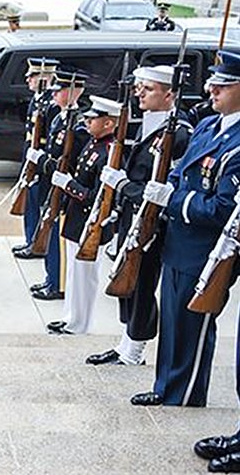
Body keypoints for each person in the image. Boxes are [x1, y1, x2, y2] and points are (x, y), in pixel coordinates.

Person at [131, 50, 240, 408]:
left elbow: (223, 207)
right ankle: (166, 387)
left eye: (222, 85)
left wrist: (173, 200)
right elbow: (179, 173)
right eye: (213, 84)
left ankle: (186, 392)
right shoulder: (210, 125)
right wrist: (170, 190)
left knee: (193, 324)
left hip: (207, 250)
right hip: (179, 240)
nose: (212, 91)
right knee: (174, 321)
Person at [85, 65, 191, 365]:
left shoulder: (179, 133)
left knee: (142, 284)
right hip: (131, 217)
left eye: (148, 89)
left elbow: (162, 188)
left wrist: (124, 185)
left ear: (169, 94)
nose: (139, 93)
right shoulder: (147, 124)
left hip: (152, 224)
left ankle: (135, 350)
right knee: (126, 283)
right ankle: (124, 343)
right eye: (139, 87)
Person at [46, 95, 119, 335]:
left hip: (91, 222)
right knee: (74, 273)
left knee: (85, 277)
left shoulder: (109, 152)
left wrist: (69, 185)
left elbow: (97, 196)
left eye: (92, 119)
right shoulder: (93, 143)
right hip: (77, 219)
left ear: (108, 123)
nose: (87, 122)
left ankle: (80, 323)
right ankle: (70, 317)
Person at [25, 70, 89, 301]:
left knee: (58, 239)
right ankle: (51, 277)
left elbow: (68, 162)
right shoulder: (59, 118)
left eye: (59, 91)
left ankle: (58, 284)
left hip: (64, 189)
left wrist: (42, 161)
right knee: (50, 233)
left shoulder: (79, 126)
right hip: (53, 185)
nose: (54, 94)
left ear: (73, 93)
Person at [13, 57, 60, 259]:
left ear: (44, 78)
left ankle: (36, 243)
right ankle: (29, 239)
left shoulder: (51, 104)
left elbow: (49, 140)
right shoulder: (38, 99)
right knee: (29, 203)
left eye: (32, 76)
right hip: (30, 161)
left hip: (40, 166)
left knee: (37, 204)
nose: (28, 81)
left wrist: (40, 164)